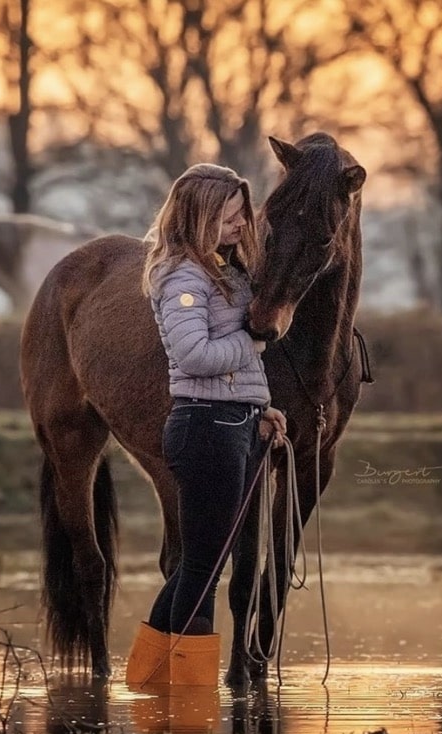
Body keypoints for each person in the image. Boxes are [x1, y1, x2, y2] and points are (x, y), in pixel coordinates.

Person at [125, 163, 286, 689]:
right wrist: (255, 341)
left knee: (203, 565)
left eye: (243, 214)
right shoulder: (183, 277)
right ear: (198, 217)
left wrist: (260, 409)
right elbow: (194, 356)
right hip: (207, 428)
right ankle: (180, 686)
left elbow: (229, 365)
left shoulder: (221, 270)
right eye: (230, 217)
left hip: (231, 423)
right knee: (202, 568)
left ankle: (153, 679)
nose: (242, 225)